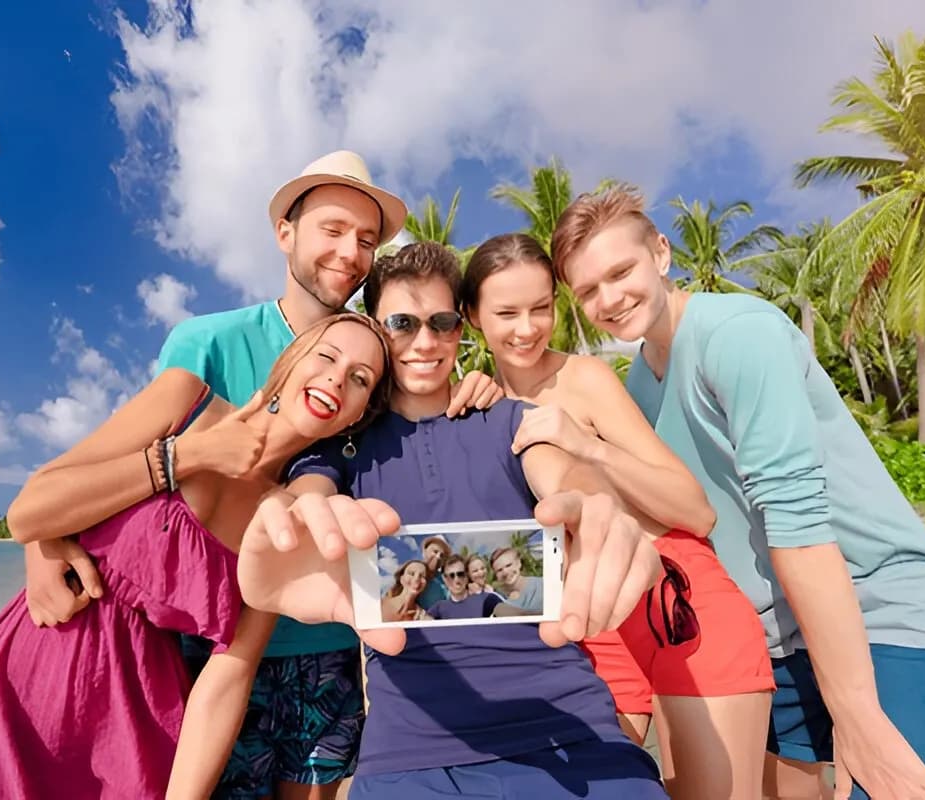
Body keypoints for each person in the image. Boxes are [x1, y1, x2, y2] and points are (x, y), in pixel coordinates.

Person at [21, 150, 501, 800]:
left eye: (365, 240)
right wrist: (43, 539)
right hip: (198, 645)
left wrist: (484, 387)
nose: (349, 253)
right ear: (286, 233)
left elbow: (428, 412)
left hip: (326, 646)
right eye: (332, 229)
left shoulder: (378, 366)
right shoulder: (208, 346)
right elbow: (86, 475)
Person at [552, 184, 925, 800]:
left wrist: (856, 714)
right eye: (588, 291)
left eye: (620, 272)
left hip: (887, 611)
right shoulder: (638, 386)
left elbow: (796, 522)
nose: (609, 298)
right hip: (776, 640)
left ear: (662, 255)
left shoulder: (737, 335)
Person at [0, 314, 391, 800]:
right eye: (327, 356)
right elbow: (28, 513)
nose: (337, 379)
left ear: (356, 416)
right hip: (9, 695)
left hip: (130, 737)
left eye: (361, 378)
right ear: (290, 360)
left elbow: (229, 676)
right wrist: (189, 456)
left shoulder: (284, 519)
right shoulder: (188, 402)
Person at [238, 241, 669, 799]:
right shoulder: (340, 452)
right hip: (410, 753)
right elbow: (305, 501)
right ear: (376, 328)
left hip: (568, 729)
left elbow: (565, 481)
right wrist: (289, 517)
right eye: (402, 323)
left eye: (441, 322)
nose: (425, 342)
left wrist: (594, 506)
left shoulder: (510, 420)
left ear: (460, 327)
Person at [462, 232, 775, 799]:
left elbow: (696, 512)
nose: (527, 328)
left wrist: (585, 443)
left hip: (681, 602)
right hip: (590, 624)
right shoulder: (478, 407)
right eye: (506, 313)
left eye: (541, 308)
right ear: (472, 317)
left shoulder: (584, 379)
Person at [489, 546, 544, 612]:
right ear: (496, 575)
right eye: (499, 570)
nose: (505, 572)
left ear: (519, 563)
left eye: (508, 565)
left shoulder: (542, 585)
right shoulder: (497, 597)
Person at [417, 535, 452, 608]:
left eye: (442, 555)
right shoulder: (410, 571)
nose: (438, 557)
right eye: (435, 551)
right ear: (424, 551)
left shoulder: (445, 581)